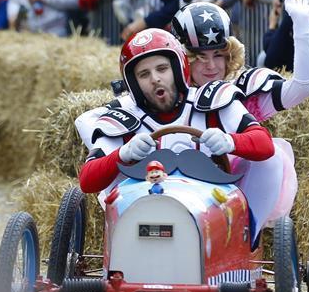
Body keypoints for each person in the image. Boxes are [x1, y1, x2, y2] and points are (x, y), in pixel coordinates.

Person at [76, 29, 275, 197]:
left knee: (271, 164)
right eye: (144, 74)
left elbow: (265, 144)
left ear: (178, 70)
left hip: (211, 210)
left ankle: (251, 230)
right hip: (147, 214)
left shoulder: (212, 101)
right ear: (134, 84)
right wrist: (123, 153)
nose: (155, 79)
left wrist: (230, 141)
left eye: (162, 69)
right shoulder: (126, 117)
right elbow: (87, 181)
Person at [172, 0, 309, 227]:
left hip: (235, 197)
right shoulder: (165, 96)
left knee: (272, 158)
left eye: (218, 55)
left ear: (230, 55)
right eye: (200, 57)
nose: (211, 65)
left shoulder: (242, 90)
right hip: (173, 193)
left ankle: (249, 237)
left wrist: (301, 27)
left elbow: (302, 88)